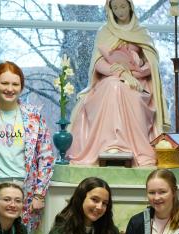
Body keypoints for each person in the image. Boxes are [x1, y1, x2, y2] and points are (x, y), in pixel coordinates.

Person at [67, 0, 169, 167]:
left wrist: (135, 72)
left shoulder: (141, 32)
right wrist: (121, 73)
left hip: (138, 82)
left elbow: (151, 63)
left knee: (131, 94)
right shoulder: (105, 31)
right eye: (115, 8)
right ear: (110, 10)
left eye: (123, 6)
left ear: (130, 6)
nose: (120, 11)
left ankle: (138, 150)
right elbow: (97, 63)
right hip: (110, 78)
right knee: (113, 86)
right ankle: (111, 144)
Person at [0, 61, 55, 230]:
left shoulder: (33, 116)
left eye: (15, 84)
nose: (10, 89)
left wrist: (39, 194)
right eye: (4, 83)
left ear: (21, 86)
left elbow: (46, 156)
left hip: (24, 188)